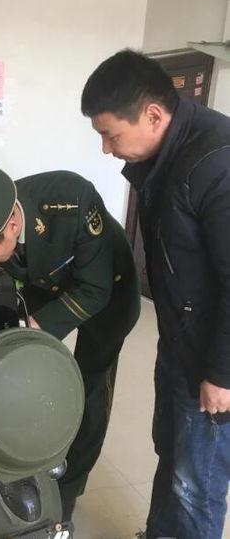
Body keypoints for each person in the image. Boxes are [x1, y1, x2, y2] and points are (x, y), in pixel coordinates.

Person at [0, 161, 140, 523]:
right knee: (19, 369)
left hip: (107, 290)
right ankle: (21, 458)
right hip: (44, 285)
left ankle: (67, 493)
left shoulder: (72, 201)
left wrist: (31, 326)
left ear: (12, 227)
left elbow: (94, 290)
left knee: (89, 392)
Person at [81, 49, 230, 539]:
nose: (106, 149)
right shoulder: (167, 155)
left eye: (111, 134)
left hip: (213, 357)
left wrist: (221, 373)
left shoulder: (216, 162)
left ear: (151, 115)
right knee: (172, 452)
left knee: (196, 482)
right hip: (181, 338)